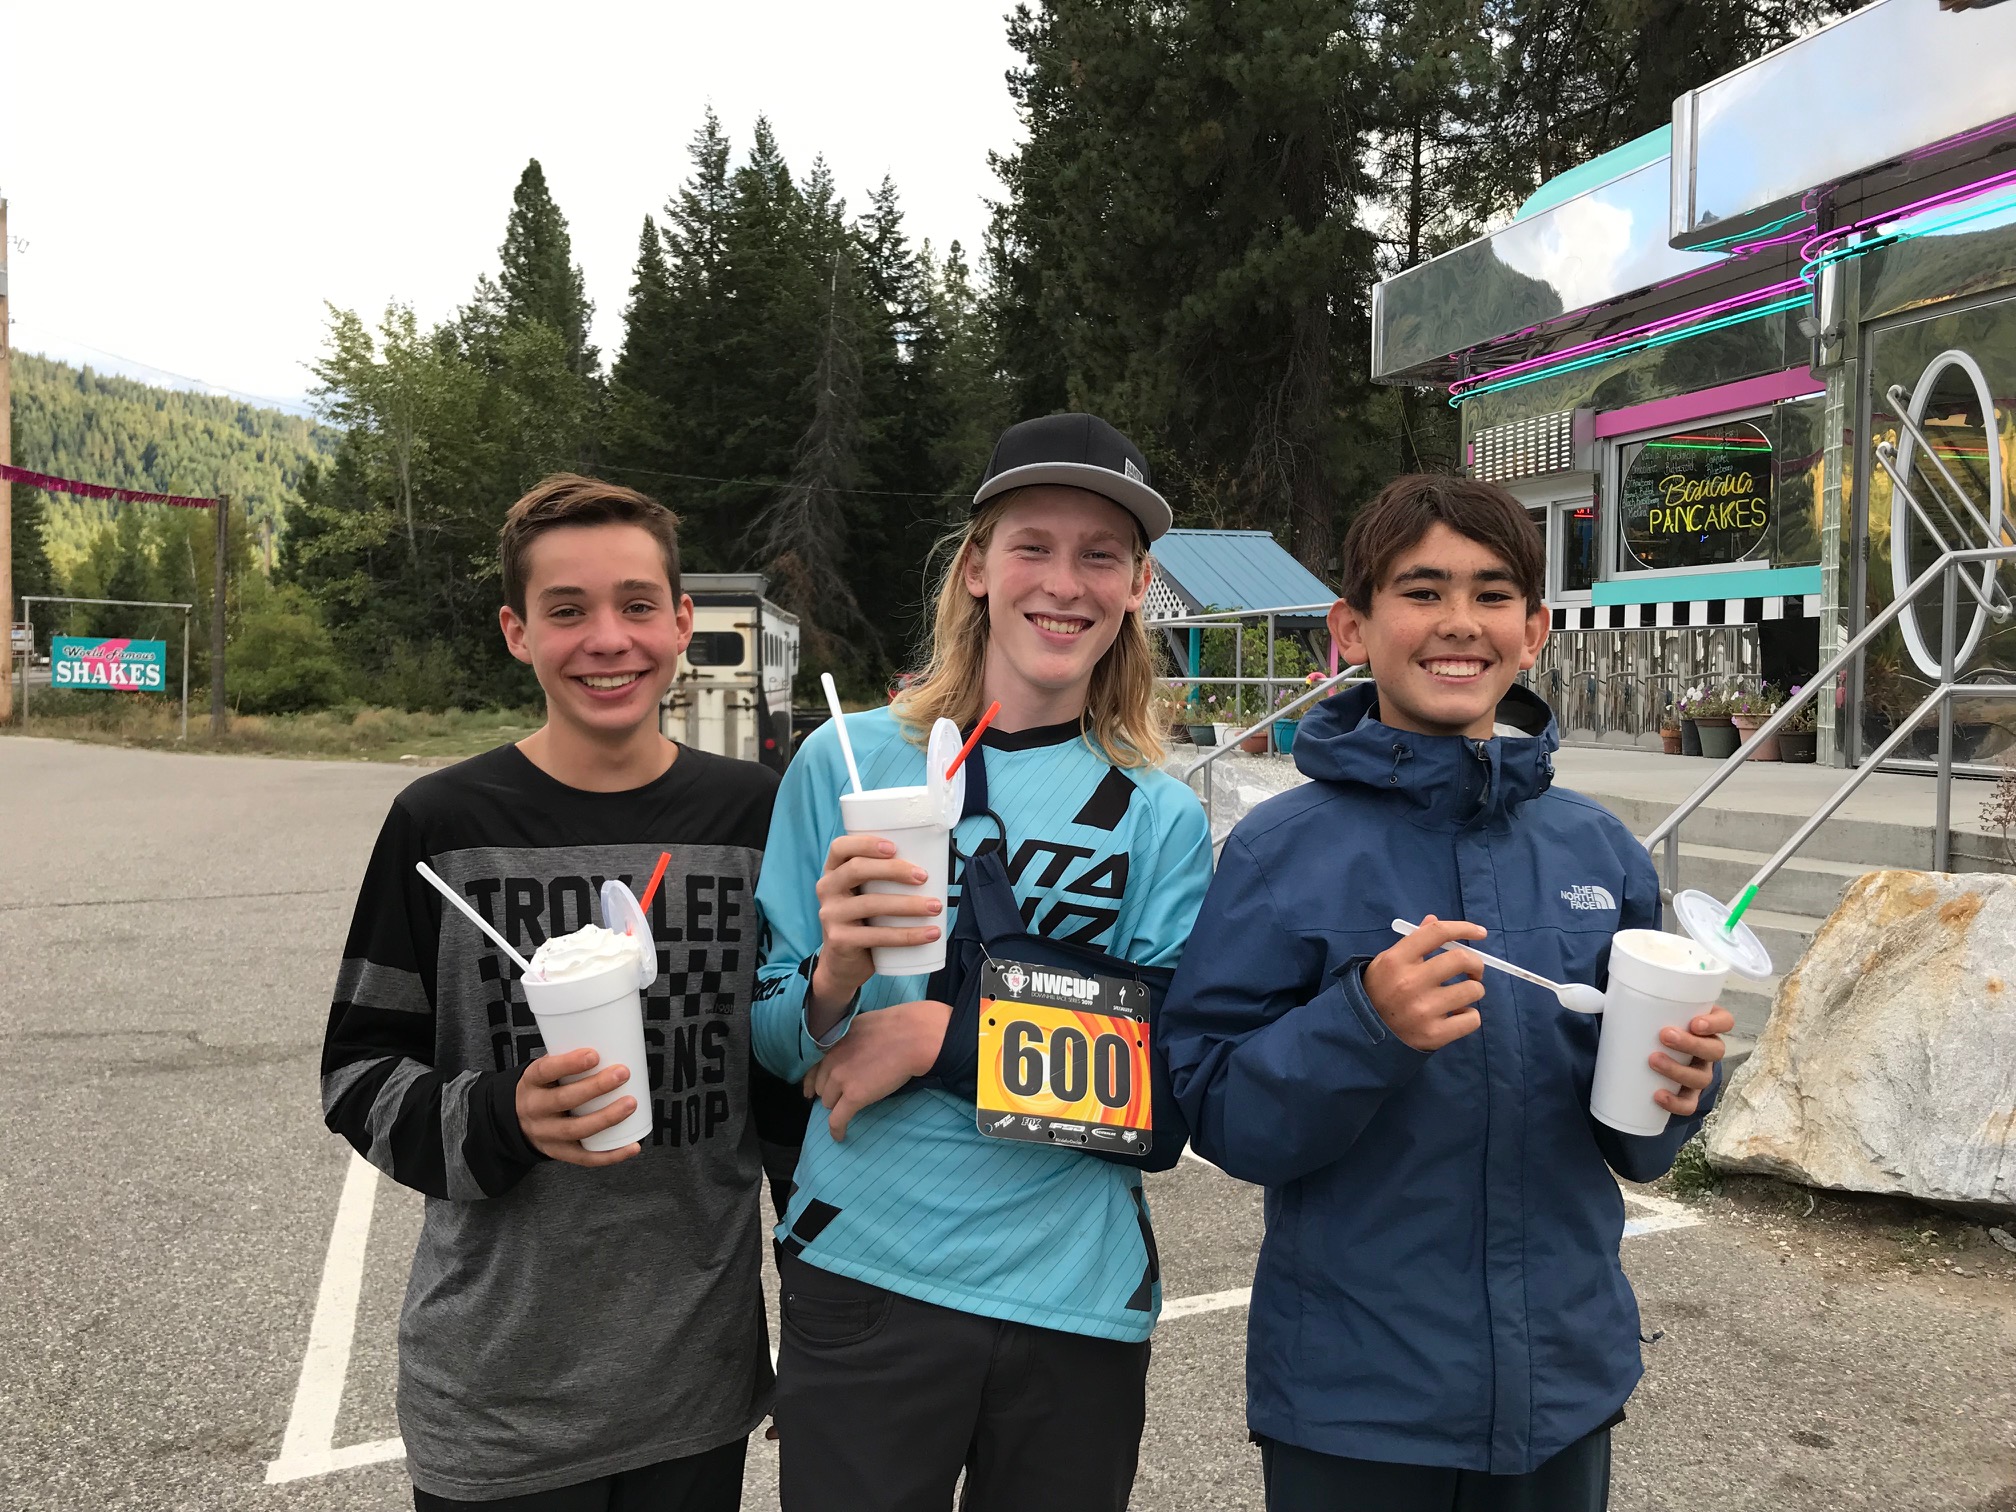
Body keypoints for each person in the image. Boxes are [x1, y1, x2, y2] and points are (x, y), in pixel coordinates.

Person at [1161, 475, 1735, 1512]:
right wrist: (1362, 1027)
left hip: (1563, 1384)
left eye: (1492, 593)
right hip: (1354, 1404)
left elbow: (1637, 1143)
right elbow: (1218, 1108)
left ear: (1534, 630)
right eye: (1421, 592)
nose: (1458, 623)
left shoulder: (1599, 851)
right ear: (1354, 627)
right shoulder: (1280, 853)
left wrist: (1688, 1082)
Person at [751, 413, 1215, 1512]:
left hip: (1075, 1296)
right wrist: (836, 980)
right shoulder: (846, 761)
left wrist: (935, 1036)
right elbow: (773, 1040)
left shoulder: (1160, 817)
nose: (1066, 583)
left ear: (1138, 584)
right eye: (1032, 546)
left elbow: (1162, 1098)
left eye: (1101, 554)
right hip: (866, 1272)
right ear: (975, 568)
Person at [320, 474, 796, 1510]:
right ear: (516, 632)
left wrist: (819, 1322)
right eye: (566, 611)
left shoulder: (754, 815)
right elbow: (354, 1073)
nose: (606, 640)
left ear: (681, 622)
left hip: (696, 1388)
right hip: (496, 1399)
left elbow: (786, 1093)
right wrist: (502, 1115)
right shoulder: (441, 825)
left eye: (635, 605)